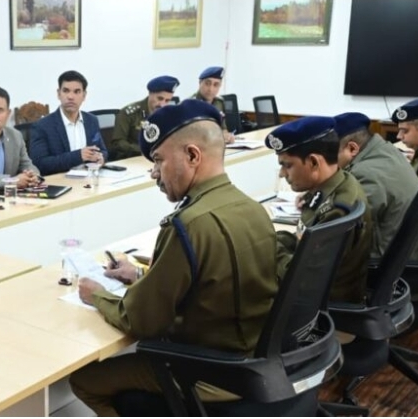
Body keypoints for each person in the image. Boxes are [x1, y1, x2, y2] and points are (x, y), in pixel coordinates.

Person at [70, 100, 279, 416]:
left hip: (208, 372)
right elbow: (211, 283)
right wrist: (140, 277)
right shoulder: (252, 208)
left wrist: (97, 296)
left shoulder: (189, 225)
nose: (154, 173)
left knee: (85, 381)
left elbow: (141, 320)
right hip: (257, 363)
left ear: (193, 156)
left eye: (158, 160)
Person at [266, 116, 373, 304]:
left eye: (287, 165)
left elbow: (302, 281)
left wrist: (271, 249)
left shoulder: (337, 210)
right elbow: (303, 241)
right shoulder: (339, 183)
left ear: (314, 162)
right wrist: (268, 239)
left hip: (321, 306)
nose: (282, 174)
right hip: (323, 293)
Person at [334, 112, 418, 262]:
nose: (329, 161)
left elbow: (345, 227)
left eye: (331, 154)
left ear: (352, 148)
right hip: (411, 249)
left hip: (389, 260)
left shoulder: (365, 173)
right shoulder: (386, 151)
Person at [29, 70, 108, 175]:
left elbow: (102, 150)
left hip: (90, 178)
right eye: (66, 91)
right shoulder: (42, 126)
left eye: (77, 92)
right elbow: (40, 164)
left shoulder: (91, 120)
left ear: (84, 95)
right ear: (58, 94)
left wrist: (101, 158)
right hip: (60, 181)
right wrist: (78, 156)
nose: (70, 97)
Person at [109, 76, 179, 161]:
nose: (162, 104)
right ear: (150, 93)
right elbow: (118, 143)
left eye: (167, 100)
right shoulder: (129, 113)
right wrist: (145, 150)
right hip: (132, 159)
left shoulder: (168, 113)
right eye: (160, 98)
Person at [189, 66, 235, 143]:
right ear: (200, 83)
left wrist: (226, 135)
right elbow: (191, 135)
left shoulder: (219, 103)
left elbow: (223, 128)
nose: (211, 89)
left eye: (216, 85)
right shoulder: (190, 104)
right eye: (207, 84)